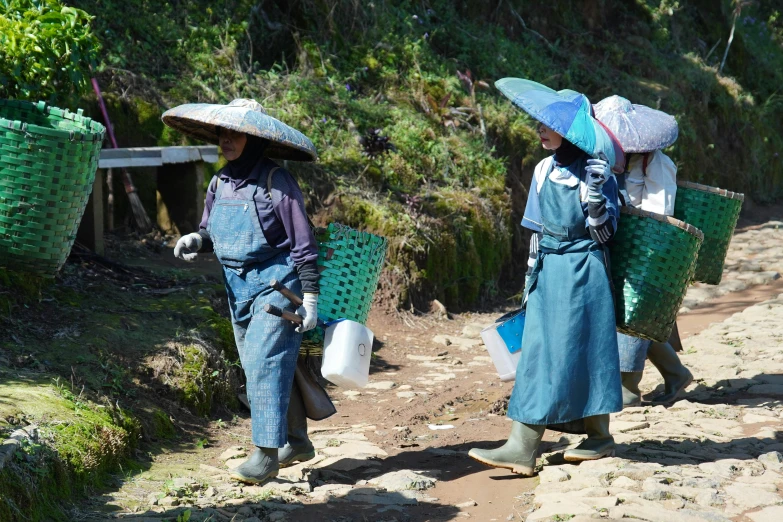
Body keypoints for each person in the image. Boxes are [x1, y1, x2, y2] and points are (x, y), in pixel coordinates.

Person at [162, 99, 334, 484]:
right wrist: (194, 239)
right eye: (223, 132)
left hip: (278, 289)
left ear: (255, 139)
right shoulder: (219, 182)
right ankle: (296, 440)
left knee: (263, 364)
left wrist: (310, 300)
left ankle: (265, 456)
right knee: (265, 365)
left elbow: (304, 246)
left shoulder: (278, 183)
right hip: (237, 290)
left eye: (236, 133)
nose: (227, 140)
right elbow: (210, 232)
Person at [469, 79, 623, 475]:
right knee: (540, 353)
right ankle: (530, 444)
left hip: (585, 271)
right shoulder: (542, 169)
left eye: (547, 124)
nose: (539, 128)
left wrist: (594, 197)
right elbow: (537, 231)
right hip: (547, 272)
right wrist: (529, 278)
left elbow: (605, 236)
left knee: (582, 351)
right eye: (539, 122)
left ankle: (582, 438)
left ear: (571, 132)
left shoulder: (597, 172)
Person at [594, 95, 693, 407]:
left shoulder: (657, 163)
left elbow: (661, 213)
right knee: (632, 315)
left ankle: (627, 387)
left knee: (633, 313)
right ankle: (676, 374)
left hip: (645, 247)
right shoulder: (606, 159)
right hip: (614, 243)